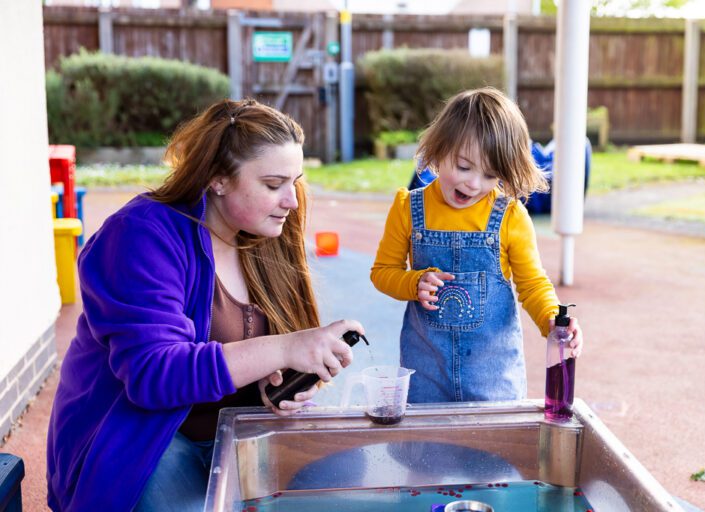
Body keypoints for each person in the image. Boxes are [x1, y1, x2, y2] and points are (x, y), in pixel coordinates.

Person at [47, 98, 364, 511]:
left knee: (349, 475)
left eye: (295, 181)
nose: (292, 200)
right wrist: (284, 347)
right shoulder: (140, 235)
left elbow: (255, 357)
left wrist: (273, 382)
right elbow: (152, 374)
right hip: (136, 438)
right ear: (217, 179)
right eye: (273, 185)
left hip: (228, 432)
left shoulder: (263, 232)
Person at [370, 87, 583, 403]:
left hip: (493, 377)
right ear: (439, 150)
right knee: (429, 450)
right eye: (464, 166)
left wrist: (551, 319)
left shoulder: (509, 216)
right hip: (426, 371)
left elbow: (533, 285)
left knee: (493, 450)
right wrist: (413, 283)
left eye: (490, 175)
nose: (474, 184)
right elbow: (382, 272)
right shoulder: (408, 208)